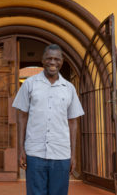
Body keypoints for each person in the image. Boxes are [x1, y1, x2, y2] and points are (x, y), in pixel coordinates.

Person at [12, 44, 85, 195]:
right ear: (42, 60)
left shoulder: (69, 88)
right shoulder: (29, 84)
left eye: (56, 59)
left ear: (62, 61)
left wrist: (73, 154)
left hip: (61, 154)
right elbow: (22, 117)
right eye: (49, 58)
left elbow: (73, 122)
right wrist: (21, 149)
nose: (53, 62)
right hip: (35, 153)